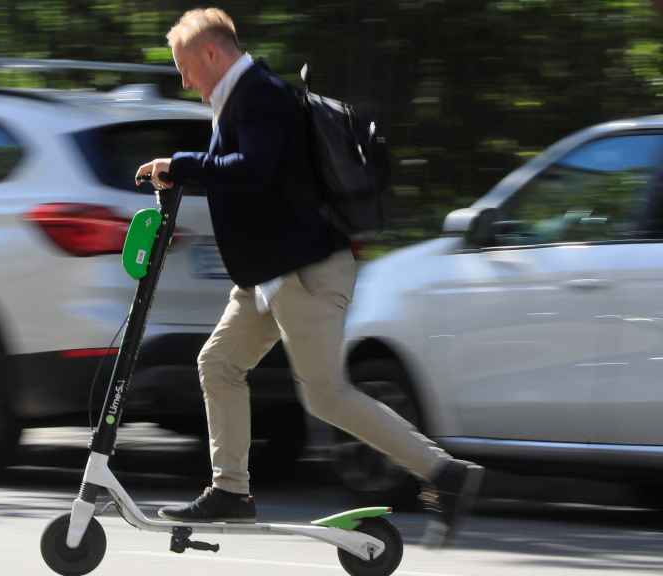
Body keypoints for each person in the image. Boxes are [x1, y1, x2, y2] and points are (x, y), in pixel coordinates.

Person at [134, 7, 483, 548]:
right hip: (271, 276)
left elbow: (252, 171)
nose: (184, 81)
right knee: (219, 363)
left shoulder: (262, 96)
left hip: (306, 273)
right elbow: (247, 172)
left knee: (325, 395)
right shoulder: (241, 99)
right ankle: (230, 490)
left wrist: (181, 166)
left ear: (211, 54)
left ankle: (444, 473)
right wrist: (182, 167)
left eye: (184, 67)